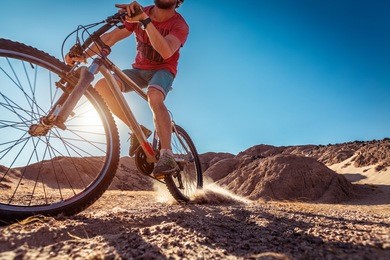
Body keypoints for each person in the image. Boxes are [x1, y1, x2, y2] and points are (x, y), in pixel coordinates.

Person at [65, 0, 189, 179]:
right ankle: (138, 131)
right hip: (138, 70)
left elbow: (166, 51)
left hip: (163, 70)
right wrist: (83, 55)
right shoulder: (140, 13)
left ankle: (167, 155)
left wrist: (144, 20)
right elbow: (110, 38)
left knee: (154, 96)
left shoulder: (179, 25)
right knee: (103, 87)